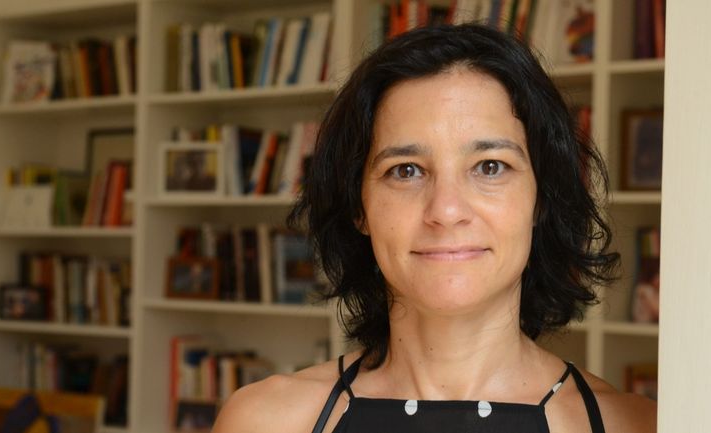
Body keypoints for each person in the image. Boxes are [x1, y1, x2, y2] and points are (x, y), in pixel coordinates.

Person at [212, 24, 657, 433]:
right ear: (358, 206)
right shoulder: (263, 421)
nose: (445, 210)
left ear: (541, 198)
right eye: (405, 170)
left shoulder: (637, 426)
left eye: (489, 166)